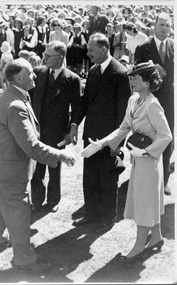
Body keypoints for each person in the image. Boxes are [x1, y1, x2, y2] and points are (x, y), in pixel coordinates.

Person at [0, 58, 75, 272]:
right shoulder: (16, 104)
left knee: (0, 201)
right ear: (17, 78)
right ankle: (24, 259)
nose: (35, 75)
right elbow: (31, 146)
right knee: (19, 211)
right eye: (30, 73)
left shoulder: (12, 95)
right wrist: (60, 155)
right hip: (10, 167)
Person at [81, 61, 172, 263]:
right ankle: (155, 237)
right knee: (148, 200)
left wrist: (145, 152)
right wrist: (101, 144)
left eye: (136, 77)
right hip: (139, 160)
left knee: (144, 202)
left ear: (147, 82)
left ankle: (140, 245)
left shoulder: (153, 104)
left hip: (149, 161)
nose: (131, 80)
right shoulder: (133, 100)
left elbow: (166, 136)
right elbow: (123, 128)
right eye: (131, 76)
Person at [69, 33, 131, 233]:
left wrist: (117, 144)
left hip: (109, 138)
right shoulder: (94, 71)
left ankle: (108, 217)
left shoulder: (120, 73)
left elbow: (124, 113)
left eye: (91, 50)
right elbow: (85, 101)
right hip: (91, 135)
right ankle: (91, 213)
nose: (88, 54)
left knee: (108, 177)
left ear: (104, 49)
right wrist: (75, 123)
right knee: (90, 176)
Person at [30, 41, 81, 213]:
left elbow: (76, 107)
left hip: (58, 130)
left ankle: (53, 200)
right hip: (37, 129)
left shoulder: (72, 79)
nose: (43, 57)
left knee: (54, 166)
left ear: (60, 58)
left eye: (47, 55)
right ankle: (36, 201)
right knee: (37, 165)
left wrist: (71, 129)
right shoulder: (38, 73)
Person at [134, 12, 174, 195]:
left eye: (168, 25)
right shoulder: (143, 48)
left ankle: (164, 180)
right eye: (162, 25)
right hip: (149, 101)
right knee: (146, 138)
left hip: (169, 102)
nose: (165, 28)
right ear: (154, 26)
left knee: (167, 139)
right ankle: (143, 180)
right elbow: (136, 77)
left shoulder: (173, 46)